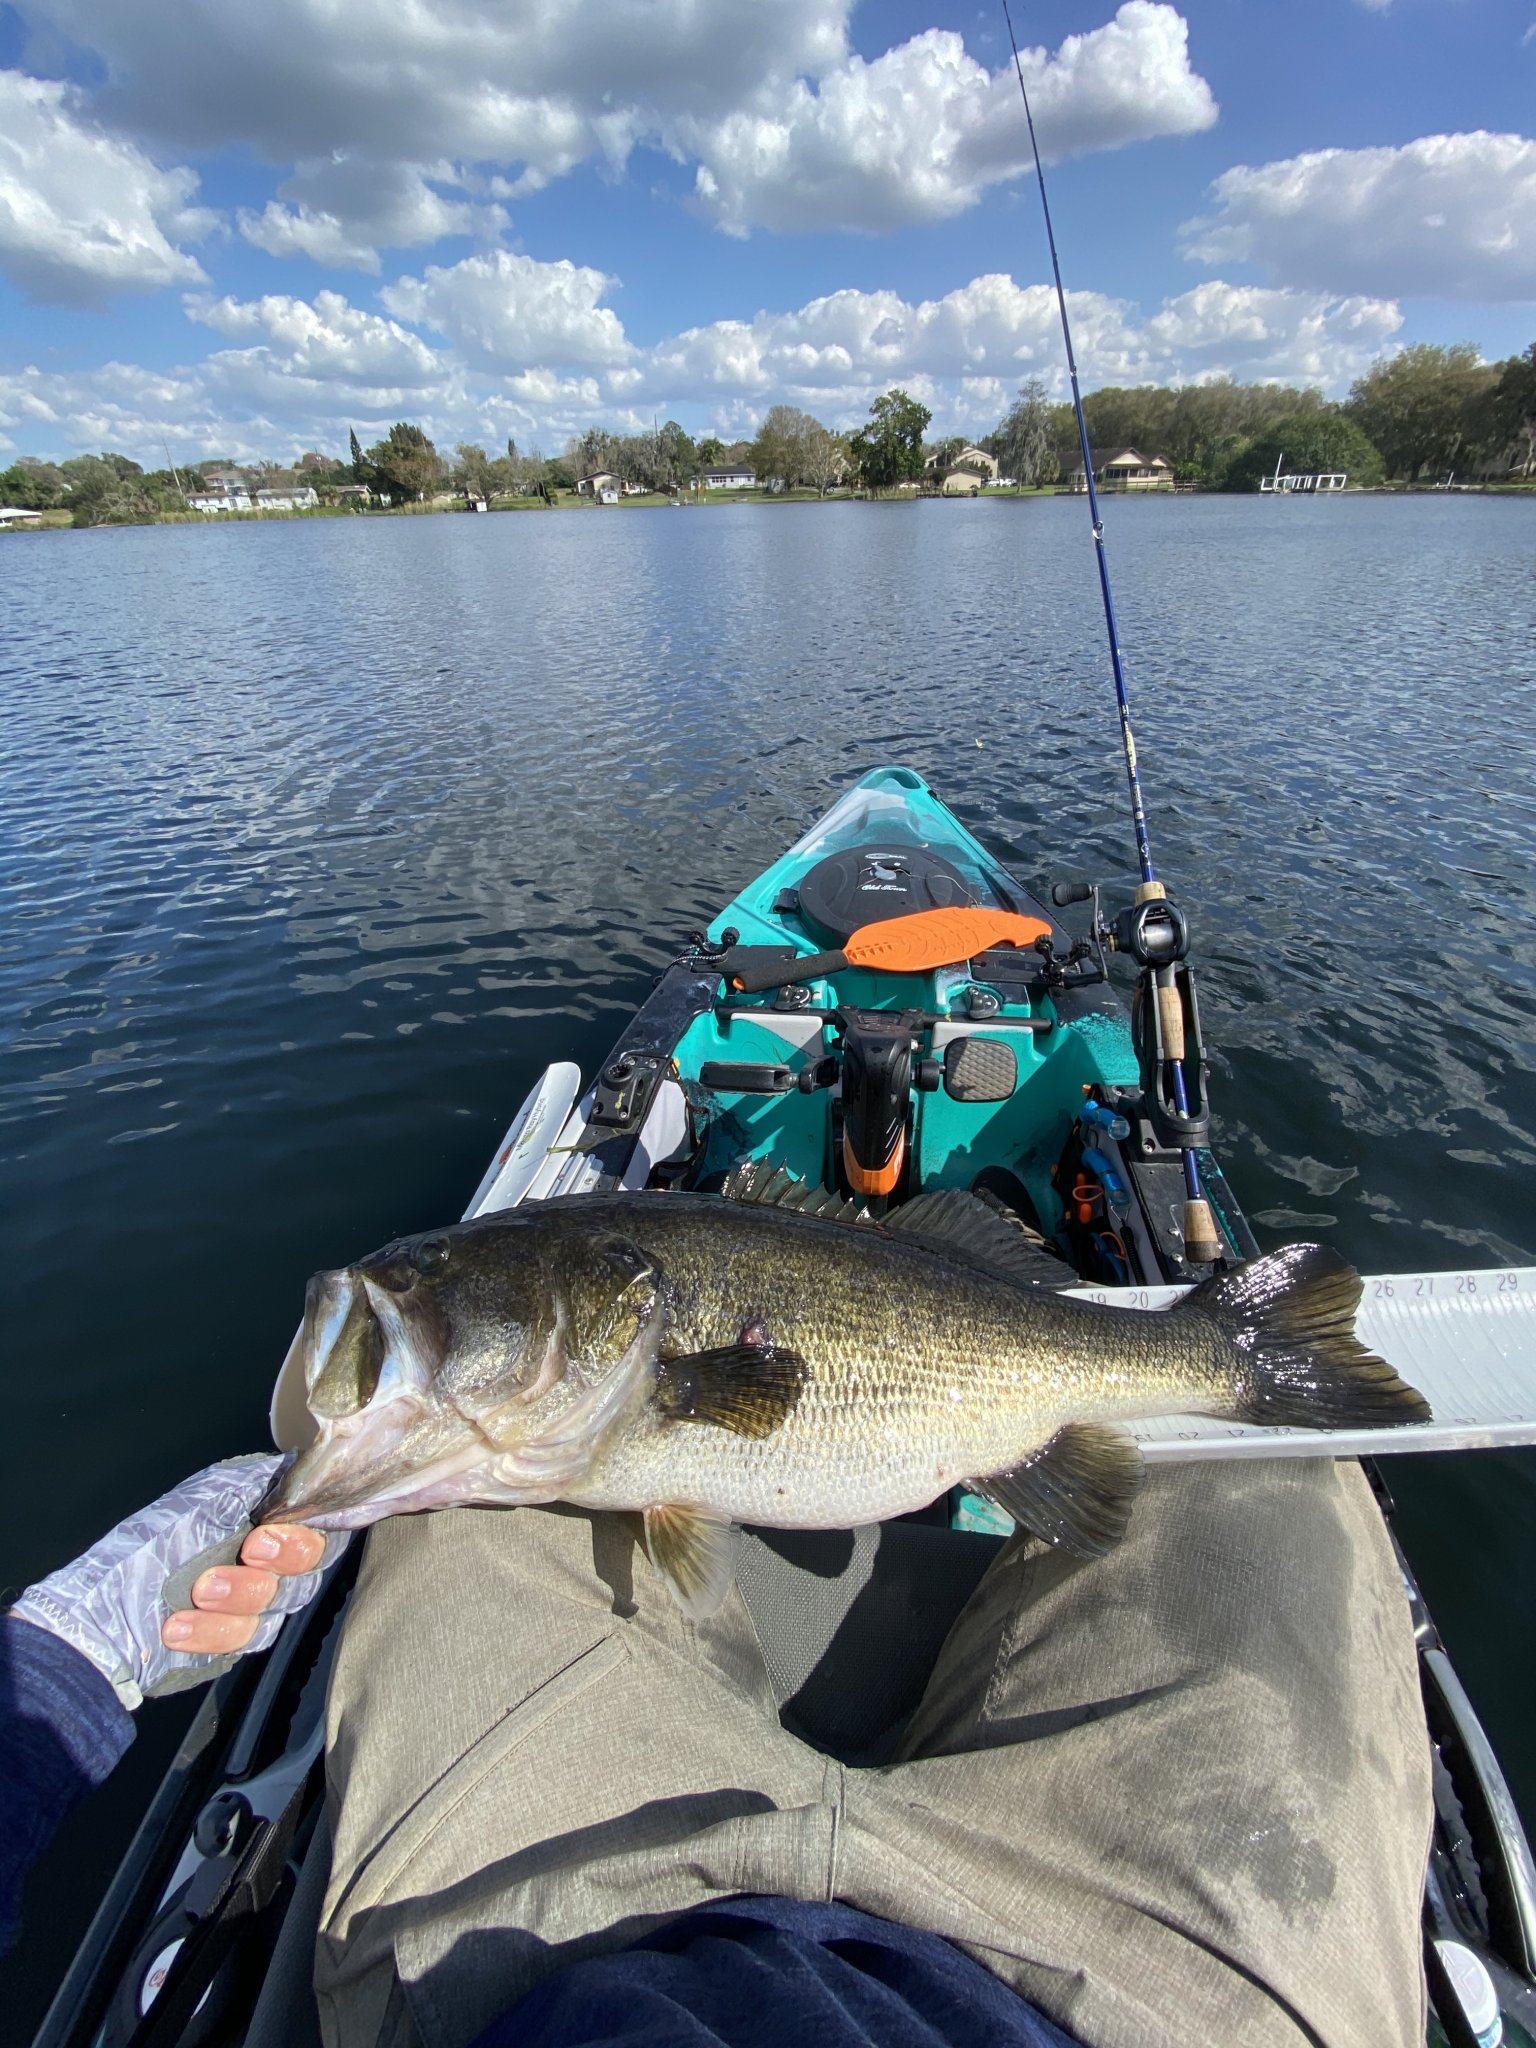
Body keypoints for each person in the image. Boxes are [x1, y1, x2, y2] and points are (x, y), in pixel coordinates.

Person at [5, 1452, 1431, 2048]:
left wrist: (72, 1659)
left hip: (516, 1941)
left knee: (478, 1474)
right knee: (1260, 1449)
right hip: (1152, 1998)